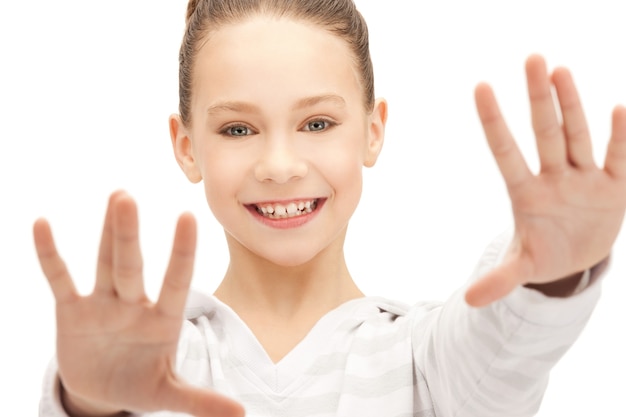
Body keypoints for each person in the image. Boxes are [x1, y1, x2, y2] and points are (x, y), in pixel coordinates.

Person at [34, 0, 626, 416]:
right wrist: (89, 404)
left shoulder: (426, 360)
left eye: (317, 122)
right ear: (187, 148)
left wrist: (552, 277)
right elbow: (111, 392)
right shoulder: (155, 358)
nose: (280, 164)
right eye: (238, 129)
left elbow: (506, 350)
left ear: (373, 131)